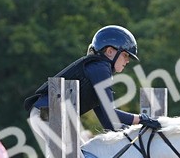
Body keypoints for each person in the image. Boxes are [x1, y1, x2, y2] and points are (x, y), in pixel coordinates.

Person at [23, 25, 153, 148]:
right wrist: (142, 119)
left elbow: (109, 122)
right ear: (110, 51)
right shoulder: (101, 68)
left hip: (50, 115)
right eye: (125, 55)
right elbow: (110, 112)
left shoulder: (99, 70)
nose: (128, 60)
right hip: (47, 114)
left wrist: (136, 131)